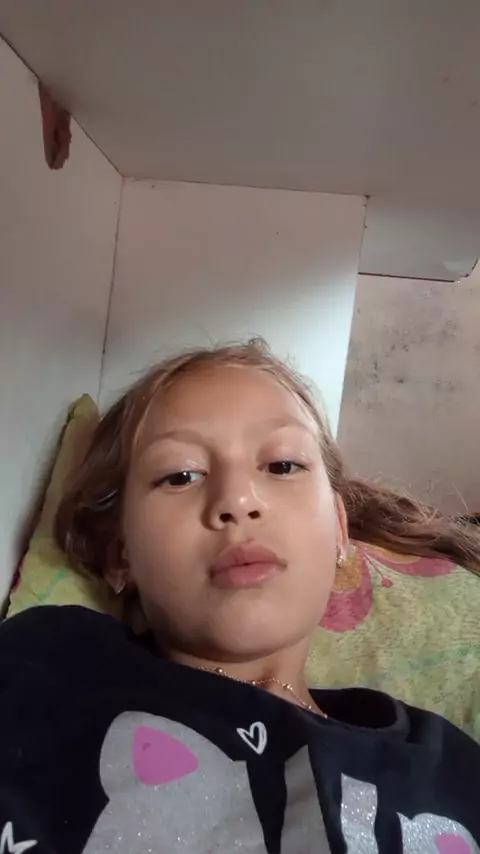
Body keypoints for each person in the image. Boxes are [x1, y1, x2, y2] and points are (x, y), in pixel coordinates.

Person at [1, 339, 480, 854]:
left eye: (282, 466)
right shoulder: (50, 666)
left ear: (339, 531)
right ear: (120, 553)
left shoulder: (450, 769)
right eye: (181, 475)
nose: (237, 499)